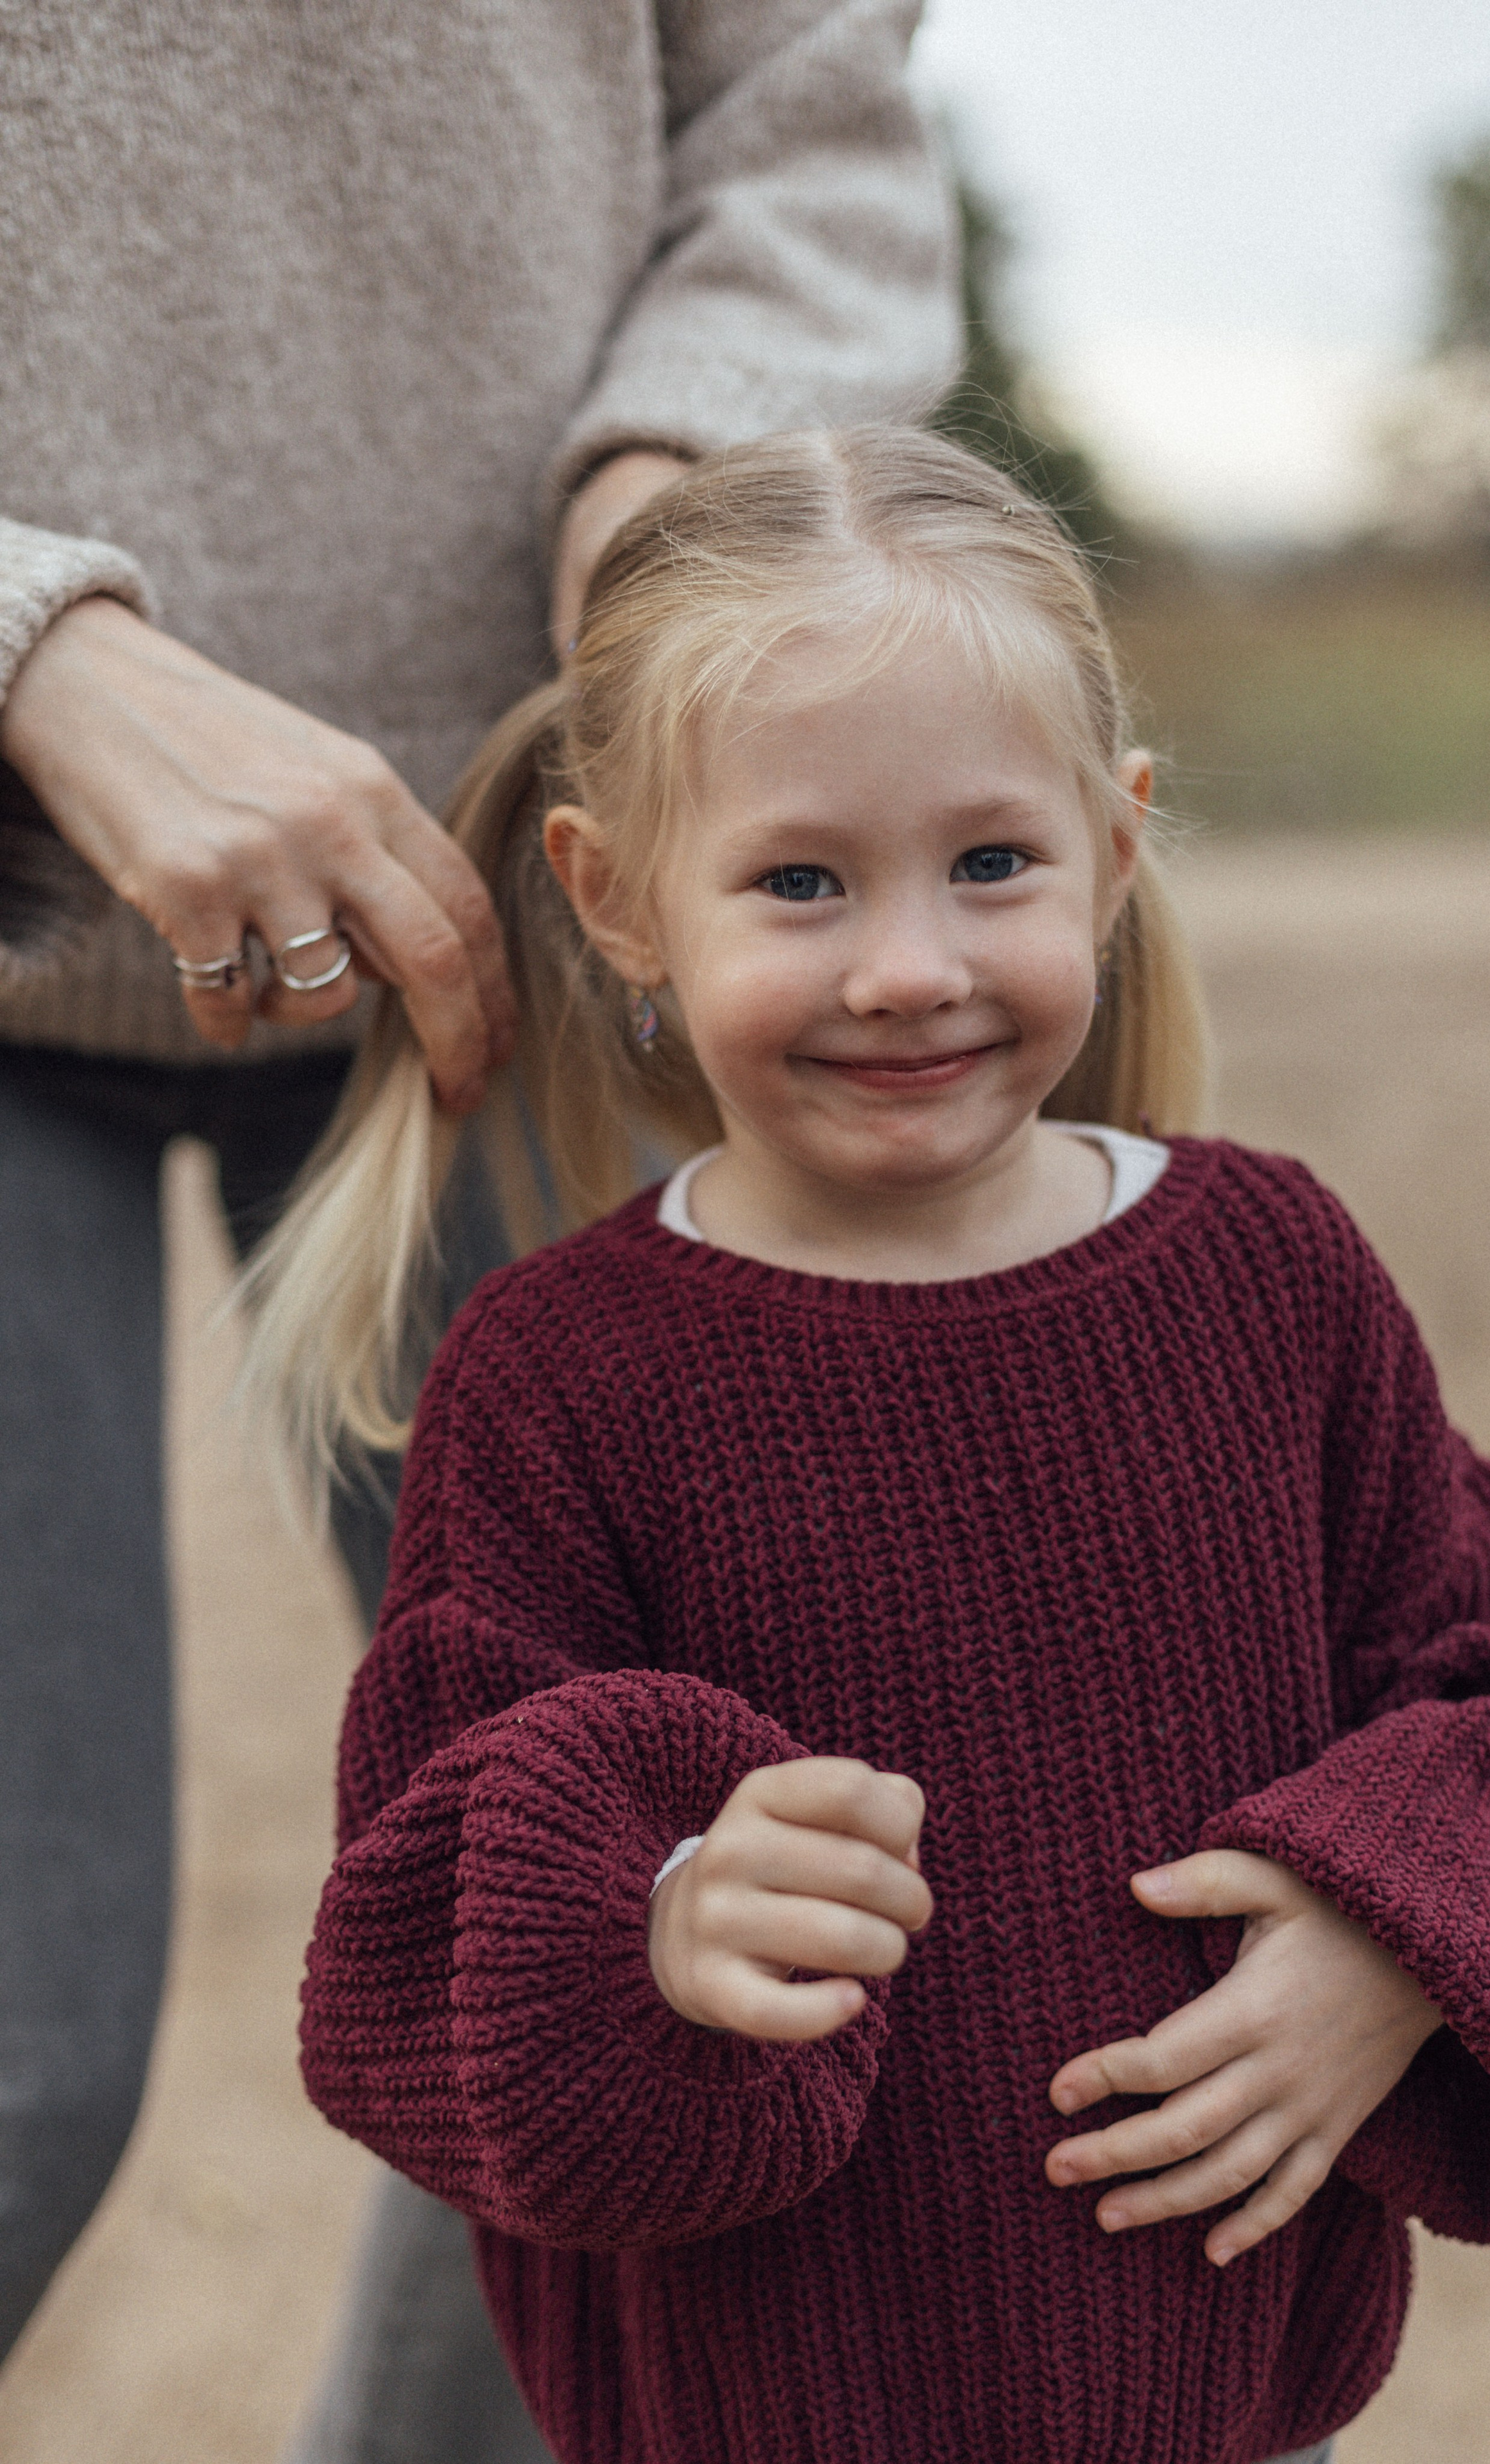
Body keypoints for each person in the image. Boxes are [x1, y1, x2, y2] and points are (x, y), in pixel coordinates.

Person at [255, 428, 1490, 2464]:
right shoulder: (556, 1376)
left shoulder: (1269, 1279)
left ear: (1115, 840)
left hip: (1231, 2404)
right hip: (760, 2411)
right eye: (801, 881)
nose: (908, 968)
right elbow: (418, 1914)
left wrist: (1396, 1937)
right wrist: (651, 1920)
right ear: (617, 898)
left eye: (991, 863)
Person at [0, 10, 956, 2453]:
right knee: (20, 2050)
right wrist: (31, 640)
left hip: (499, 961)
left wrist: (683, 516)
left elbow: (796, 114)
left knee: (644, 1934)